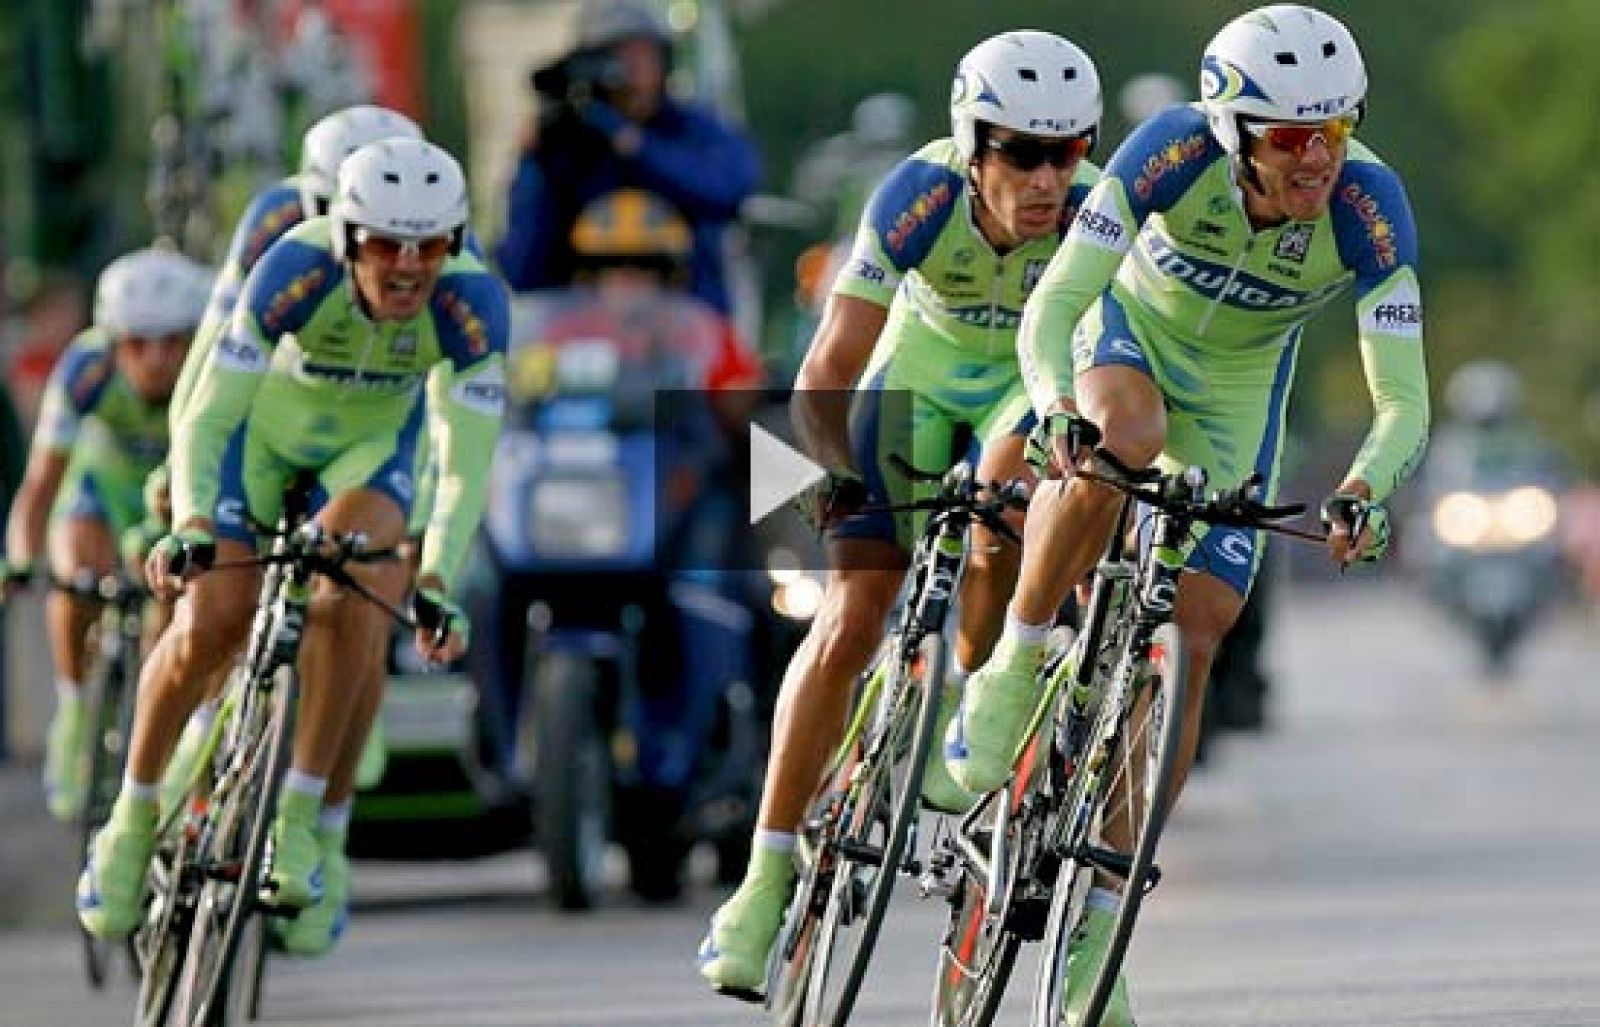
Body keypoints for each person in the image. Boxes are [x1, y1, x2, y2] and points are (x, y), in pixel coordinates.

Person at [946, 7, 1430, 1024]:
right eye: (1291, 137)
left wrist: (1363, 488)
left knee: (1198, 635)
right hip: (1130, 342)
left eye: (1335, 131)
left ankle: (1099, 930)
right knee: (1124, 432)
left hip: (1239, 398)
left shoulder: (1369, 205)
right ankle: (1018, 659)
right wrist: (1054, 406)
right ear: (1232, 133)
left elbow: (1402, 401)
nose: (1318, 159)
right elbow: (1057, 302)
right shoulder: (1169, 151)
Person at [697, 30, 1105, 997]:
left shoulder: (1095, 214)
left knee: (1002, 517)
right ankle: (764, 876)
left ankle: (971, 695)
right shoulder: (916, 197)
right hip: (912, 384)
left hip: (1021, 392)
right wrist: (832, 475)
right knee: (849, 617)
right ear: (972, 146)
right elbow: (827, 370)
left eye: (1067, 152)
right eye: (1021, 153)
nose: (1046, 180)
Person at [76, 138, 508, 960]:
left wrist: (439, 575)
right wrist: (192, 520)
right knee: (211, 621)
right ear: (347, 239)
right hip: (261, 441)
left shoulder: (473, 302)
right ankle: (129, 818)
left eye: (430, 246)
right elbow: (209, 409)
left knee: (356, 592)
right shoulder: (294, 266)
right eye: (385, 244)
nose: (408, 266)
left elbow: (465, 462)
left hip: (366, 455)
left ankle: (304, 821)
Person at [3, 248, 209, 820]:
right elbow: (40, 485)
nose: (156, 359)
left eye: (172, 342)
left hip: (173, 502)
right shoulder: (85, 370)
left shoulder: (207, 374)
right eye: (137, 344)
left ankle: (157, 736)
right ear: (113, 342)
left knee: (172, 612)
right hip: (103, 491)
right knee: (75, 573)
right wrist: (20, 560)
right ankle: (72, 709)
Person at [495, 0, 760, 316]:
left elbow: (730, 186)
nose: (634, 75)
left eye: (645, 58)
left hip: (689, 324)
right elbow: (523, 270)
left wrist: (635, 145)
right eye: (617, 59)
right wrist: (537, 162)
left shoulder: (690, 129)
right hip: (584, 329)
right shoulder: (568, 147)